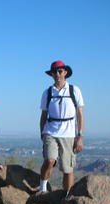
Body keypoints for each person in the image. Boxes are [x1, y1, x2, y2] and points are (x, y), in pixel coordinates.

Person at [38, 60, 84, 196]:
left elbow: (80, 114)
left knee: (67, 168)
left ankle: (67, 196)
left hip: (69, 133)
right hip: (50, 131)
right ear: (51, 74)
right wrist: (42, 134)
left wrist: (80, 135)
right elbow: (43, 115)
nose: (57, 74)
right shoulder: (47, 93)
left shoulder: (74, 90)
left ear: (65, 72)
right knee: (50, 160)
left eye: (60, 71)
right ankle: (42, 188)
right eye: (54, 72)